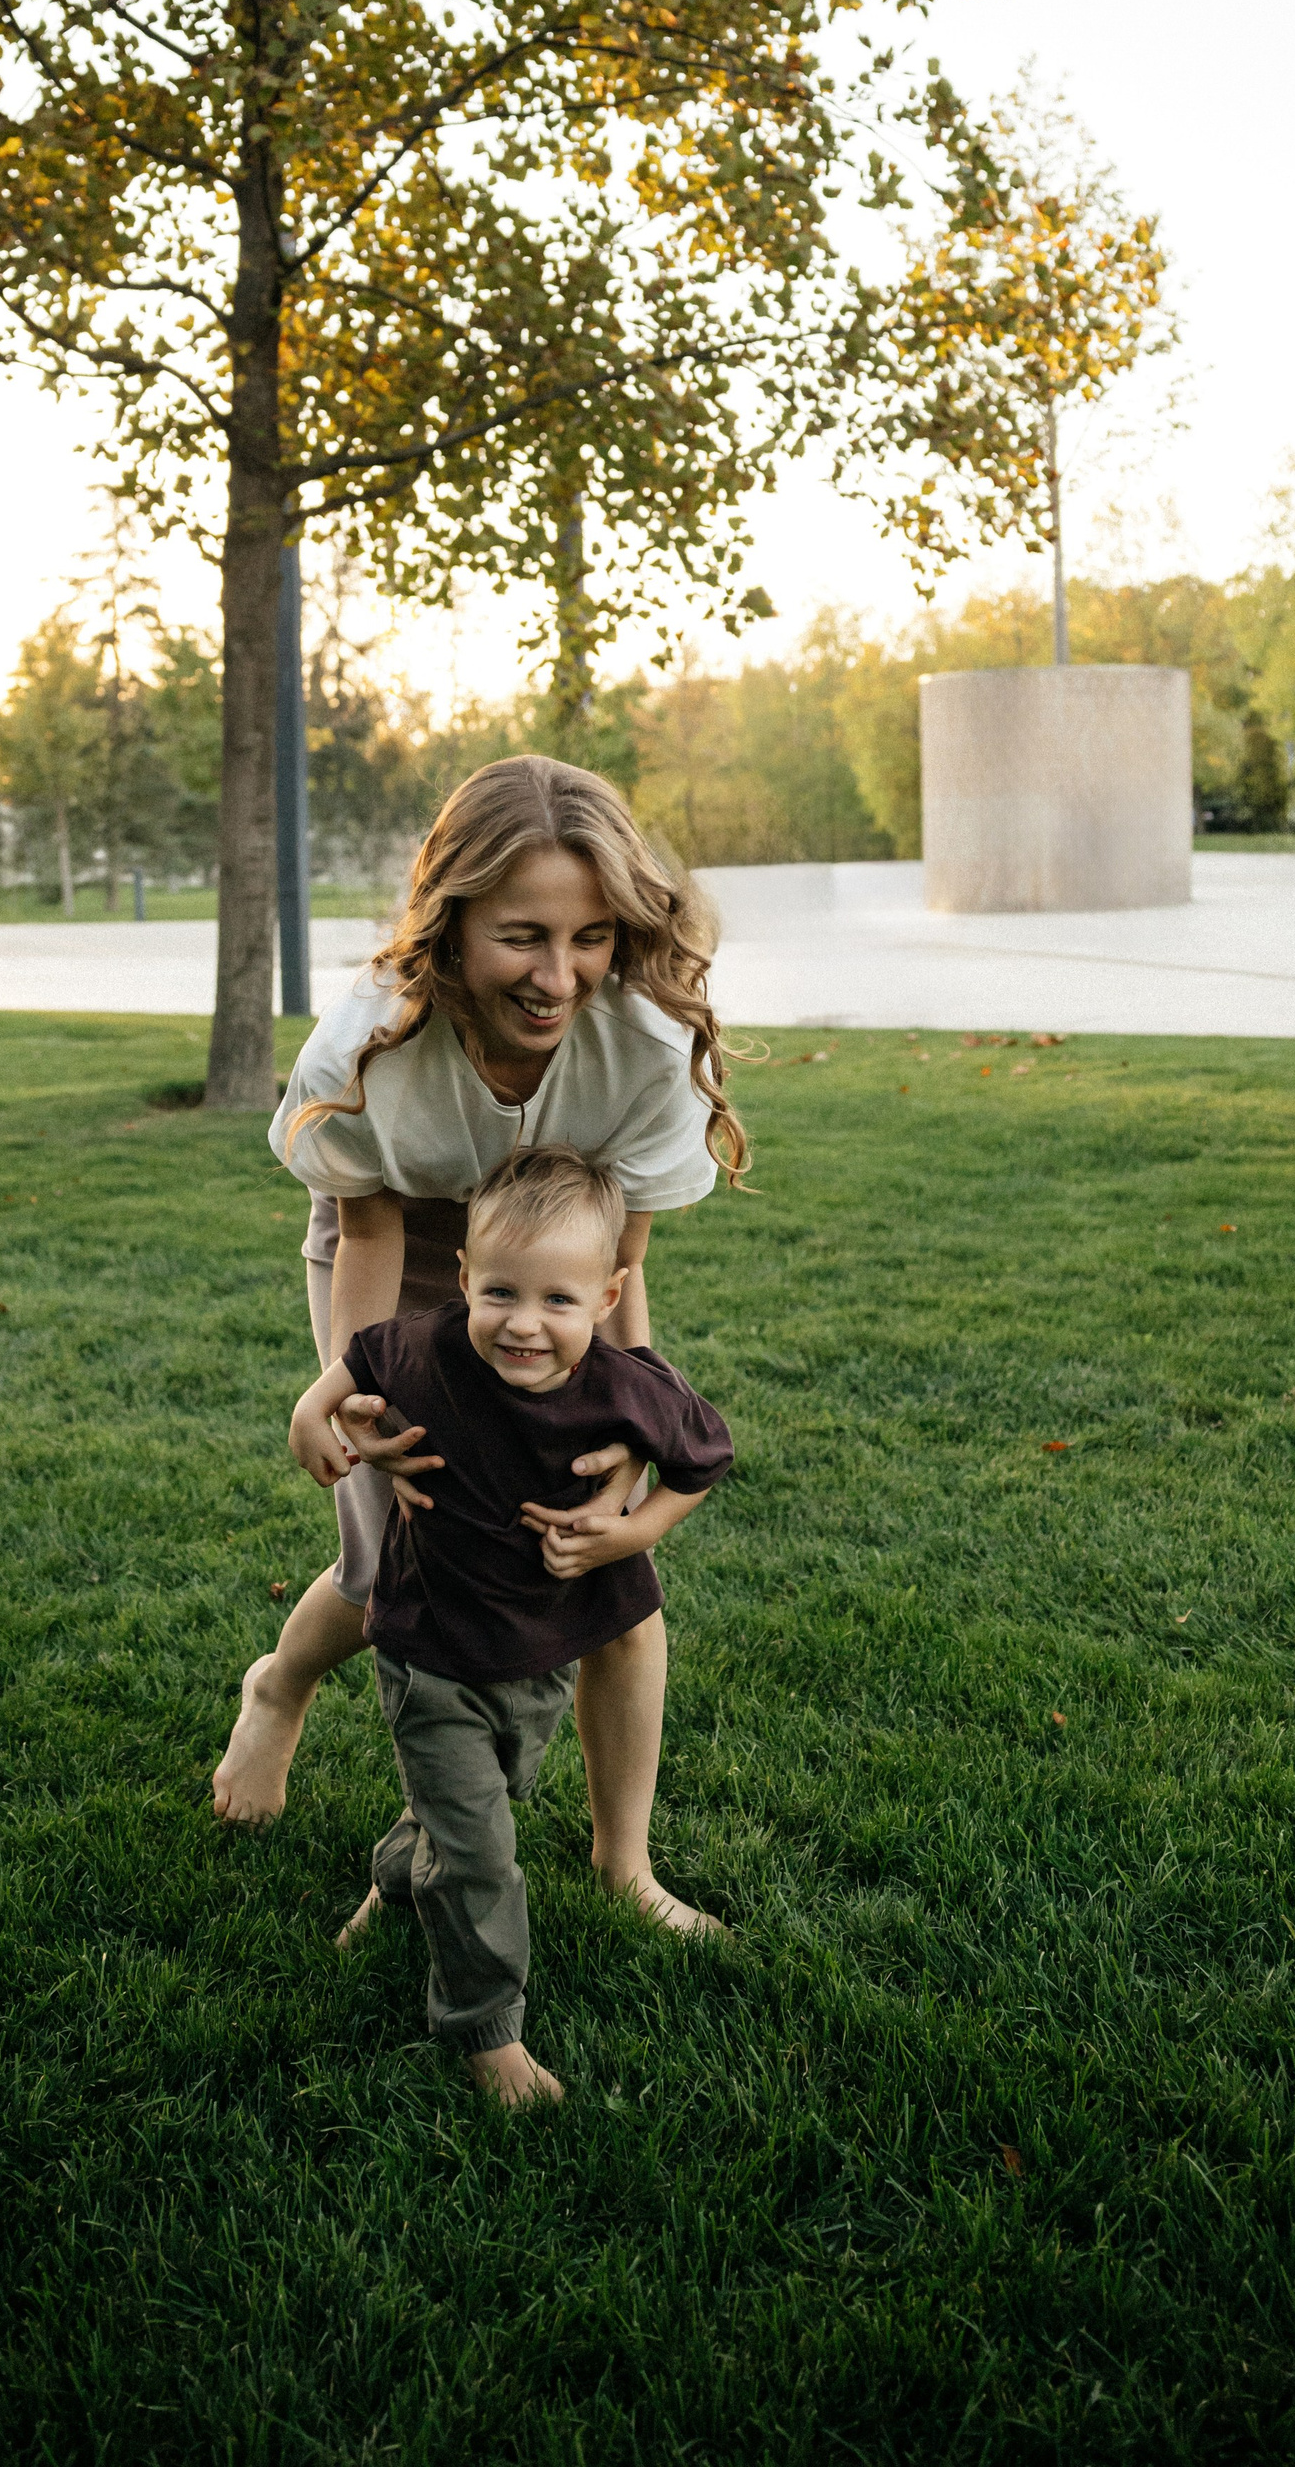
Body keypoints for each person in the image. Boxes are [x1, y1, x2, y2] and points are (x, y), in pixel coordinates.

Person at [211, 753, 748, 1935]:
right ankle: (282, 1689)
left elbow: (623, 1273)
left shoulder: (646, 1044)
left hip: (561, 1279)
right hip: (403, 1253)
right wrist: (363, 1398)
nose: (559, 977)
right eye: (522, 937)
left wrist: (628, 1433)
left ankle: (625, 1867)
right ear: (451, 925)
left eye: (591, 937)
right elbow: (367, 1232)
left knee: (615, 1587)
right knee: (396, 1564)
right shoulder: (370, 1040)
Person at [290, 1144, 733, 2107]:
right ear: (463, 1280)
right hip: (427, 1651)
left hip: (539, 1661)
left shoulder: (627, 1388)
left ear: (607, 1296)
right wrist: (309, 1415)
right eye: (500, 1292)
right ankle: (487, 2031)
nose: (524, 1323)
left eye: (558, 1300)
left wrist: (632, 1534)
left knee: (477, 1799)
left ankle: (395, 1882)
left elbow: (702, 1461)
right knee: (482, 1853)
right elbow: (350, 1367)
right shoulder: (425, 1349)